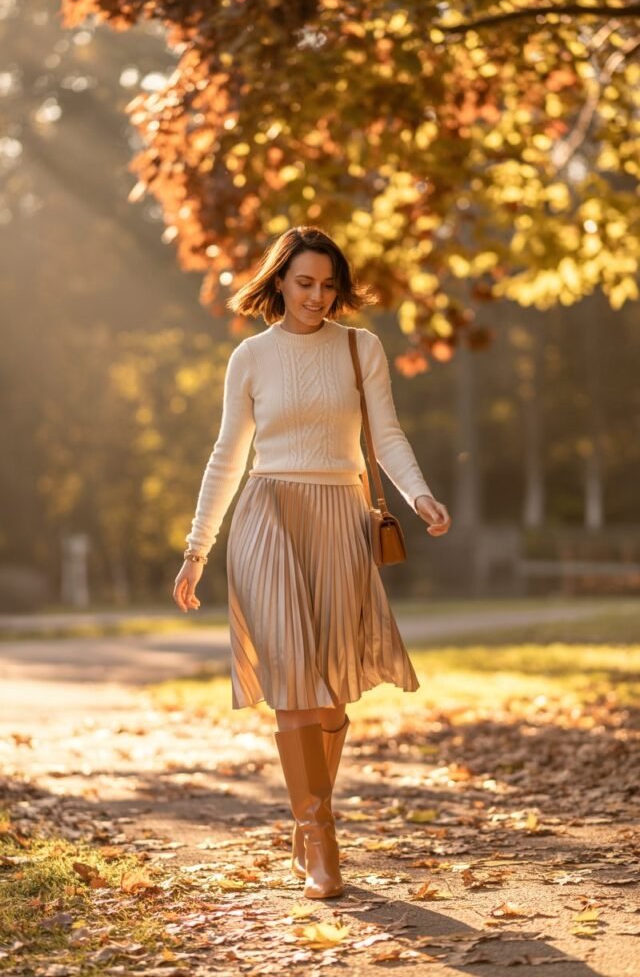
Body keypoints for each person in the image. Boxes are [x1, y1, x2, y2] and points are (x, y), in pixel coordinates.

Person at [173, 225, 451, 899]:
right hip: (268, 517)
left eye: (328, 285)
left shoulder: (362, 349)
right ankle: (320, 838)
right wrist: (196, 548)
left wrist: (418, 493)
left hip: (342, 517)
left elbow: (384, 433)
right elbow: (226, 455)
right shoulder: (249, 357)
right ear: (278, 282)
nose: (317, 296)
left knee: (330, 699)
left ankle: (307, 822)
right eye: (304, 283)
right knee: (295, 687)